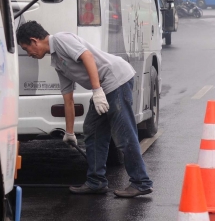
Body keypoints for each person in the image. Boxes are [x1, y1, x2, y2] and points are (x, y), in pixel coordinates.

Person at [16, 21, 153, 197]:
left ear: (34, 40)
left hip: (116, 79)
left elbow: (87, 56)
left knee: (123, 134)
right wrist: (70, 132)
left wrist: (96, 90)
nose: (29, 54)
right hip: (103, 87)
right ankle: (96, 182)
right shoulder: (57, 62)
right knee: (92, 130)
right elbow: (68, 100)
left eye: (27, 49)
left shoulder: (61, 39)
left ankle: (141, 182)